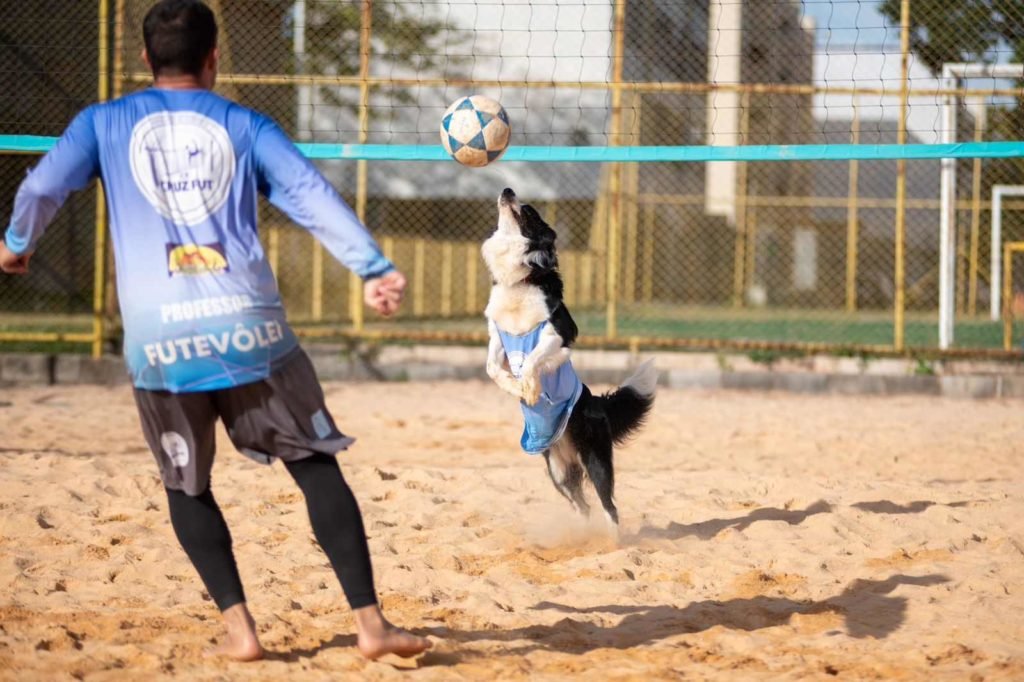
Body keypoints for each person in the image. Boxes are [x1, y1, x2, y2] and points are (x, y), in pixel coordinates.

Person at [0, 0, 430, 662]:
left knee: (186, 484)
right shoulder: (246, 125)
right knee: (315, 465)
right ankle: (370, 625)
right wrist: (372, 268)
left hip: (159, 342)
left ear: (144, 59)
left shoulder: (102, 123)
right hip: (249, 333)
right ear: (213, 58)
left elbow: (43, 186)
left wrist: (16, 242)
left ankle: (241, 630)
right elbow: (313, 195)